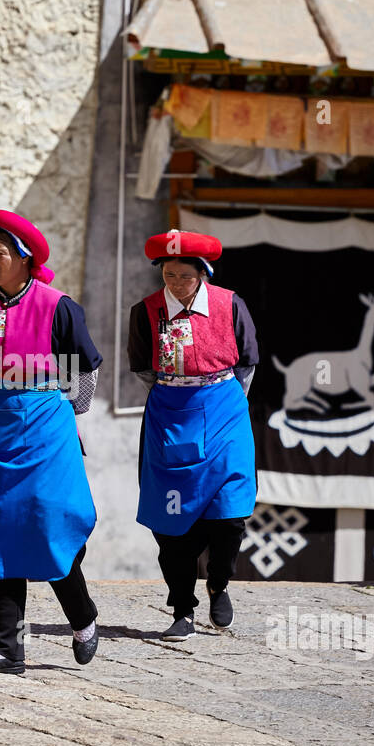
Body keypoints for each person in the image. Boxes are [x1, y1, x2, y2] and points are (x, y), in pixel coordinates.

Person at [0, 209, 103, 674]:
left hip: (44, 426)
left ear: (23, 258)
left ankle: (82, 618)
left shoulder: (57, 306)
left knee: (49, 528)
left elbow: (84, 366)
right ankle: (8, 648)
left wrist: (72, 416)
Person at [127, 230, 259, 641]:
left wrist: (221, 398)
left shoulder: (230, 303)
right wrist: (177, 392)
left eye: (185, 276)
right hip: (171, 413)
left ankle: (219, 582)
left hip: (224, 411)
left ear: (203, 273)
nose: (177, 284)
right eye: (169, 275)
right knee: (172, 524)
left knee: (230, 514)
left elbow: (248, 362)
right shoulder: (146, 312)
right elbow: (143, 370)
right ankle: (182, 607)